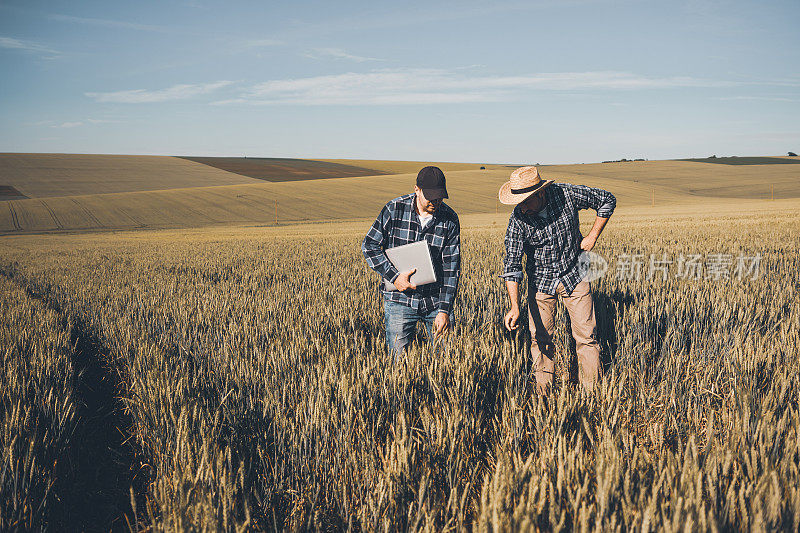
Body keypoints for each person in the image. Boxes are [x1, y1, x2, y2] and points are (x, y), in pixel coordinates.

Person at [499, 166, 615, 391]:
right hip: (540, 282)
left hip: (575, 275)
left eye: (526, 201)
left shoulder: (566, 194)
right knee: (540, 340)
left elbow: (607, 199)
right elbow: (512, 266)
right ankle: (544, 396)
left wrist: (592, 236)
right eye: (518, 201)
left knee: (586, 336)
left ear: (540, 193)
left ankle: (591, 393)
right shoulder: (517, 220)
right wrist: (514, 307)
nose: (521, 207)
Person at [363, 166, 461, 355]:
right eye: (431, 196)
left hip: (435, 302)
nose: (436, 201)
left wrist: (445, 310)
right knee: (399, 364)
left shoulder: (450, 218)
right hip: (399, 301)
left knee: (446, 362)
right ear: (417, 190)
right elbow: (369, 246)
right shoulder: (394, 209)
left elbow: (452, 268)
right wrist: (394, 277)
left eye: (440, 197)